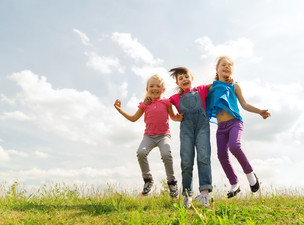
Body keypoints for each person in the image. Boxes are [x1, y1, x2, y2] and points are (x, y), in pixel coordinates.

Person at [206, 56, 271, 198]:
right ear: (217, 69)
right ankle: (234, 184)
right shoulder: (211, 87)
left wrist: (260, 111)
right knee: (221, 155)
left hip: (235, 123)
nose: (226, 67)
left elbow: (244, 104)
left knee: (234, 147)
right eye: (223, 65)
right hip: (221, 127)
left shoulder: (235, 86)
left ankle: (250, 175)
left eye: (229, 65)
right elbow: (197, 93)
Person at [114, 74, 183, 197]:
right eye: (151, 86)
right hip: (149, 136)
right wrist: (120, 110)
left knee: (166, 154)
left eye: (158, 86)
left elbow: (172, 116)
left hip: (163, 136)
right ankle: (148, 180)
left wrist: (178, 118)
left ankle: (172, 182)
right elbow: (134, 118)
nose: (154, 88)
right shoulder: (144, 104)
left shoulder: (166, 102)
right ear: (147, 90)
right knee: (141, 152)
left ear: (163, 89)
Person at [168, 67, 213, 208]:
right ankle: (187, 196)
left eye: (186, 76)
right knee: (186, 161)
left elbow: (216, 84)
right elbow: (163, 104)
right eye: (180, 78)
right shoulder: (175, 98)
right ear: (177, 83)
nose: (184, 80)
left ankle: (205, 194)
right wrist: (174, 117)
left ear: (192, 77)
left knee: (203, 157)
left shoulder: (201, 90)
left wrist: (224, 78)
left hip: (202, 127)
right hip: (186, 129)